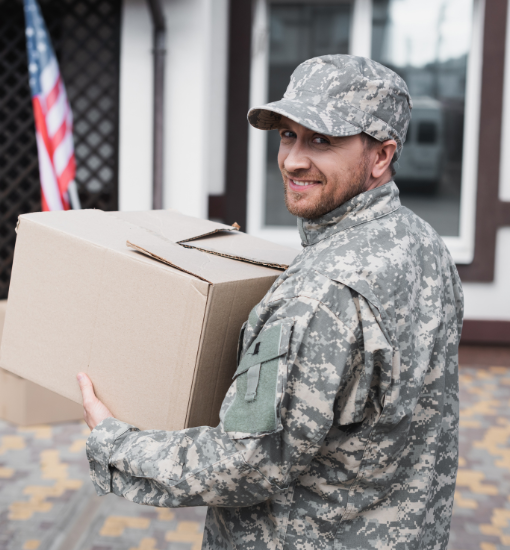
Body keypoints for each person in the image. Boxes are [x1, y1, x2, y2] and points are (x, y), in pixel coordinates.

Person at [77, 55, 464, 549]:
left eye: (321, 140)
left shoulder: (320, 293)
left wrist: (115, 440)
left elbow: (244, 464)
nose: (293, 160)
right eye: (288, 135)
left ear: (381, 157)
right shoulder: (424, 245)